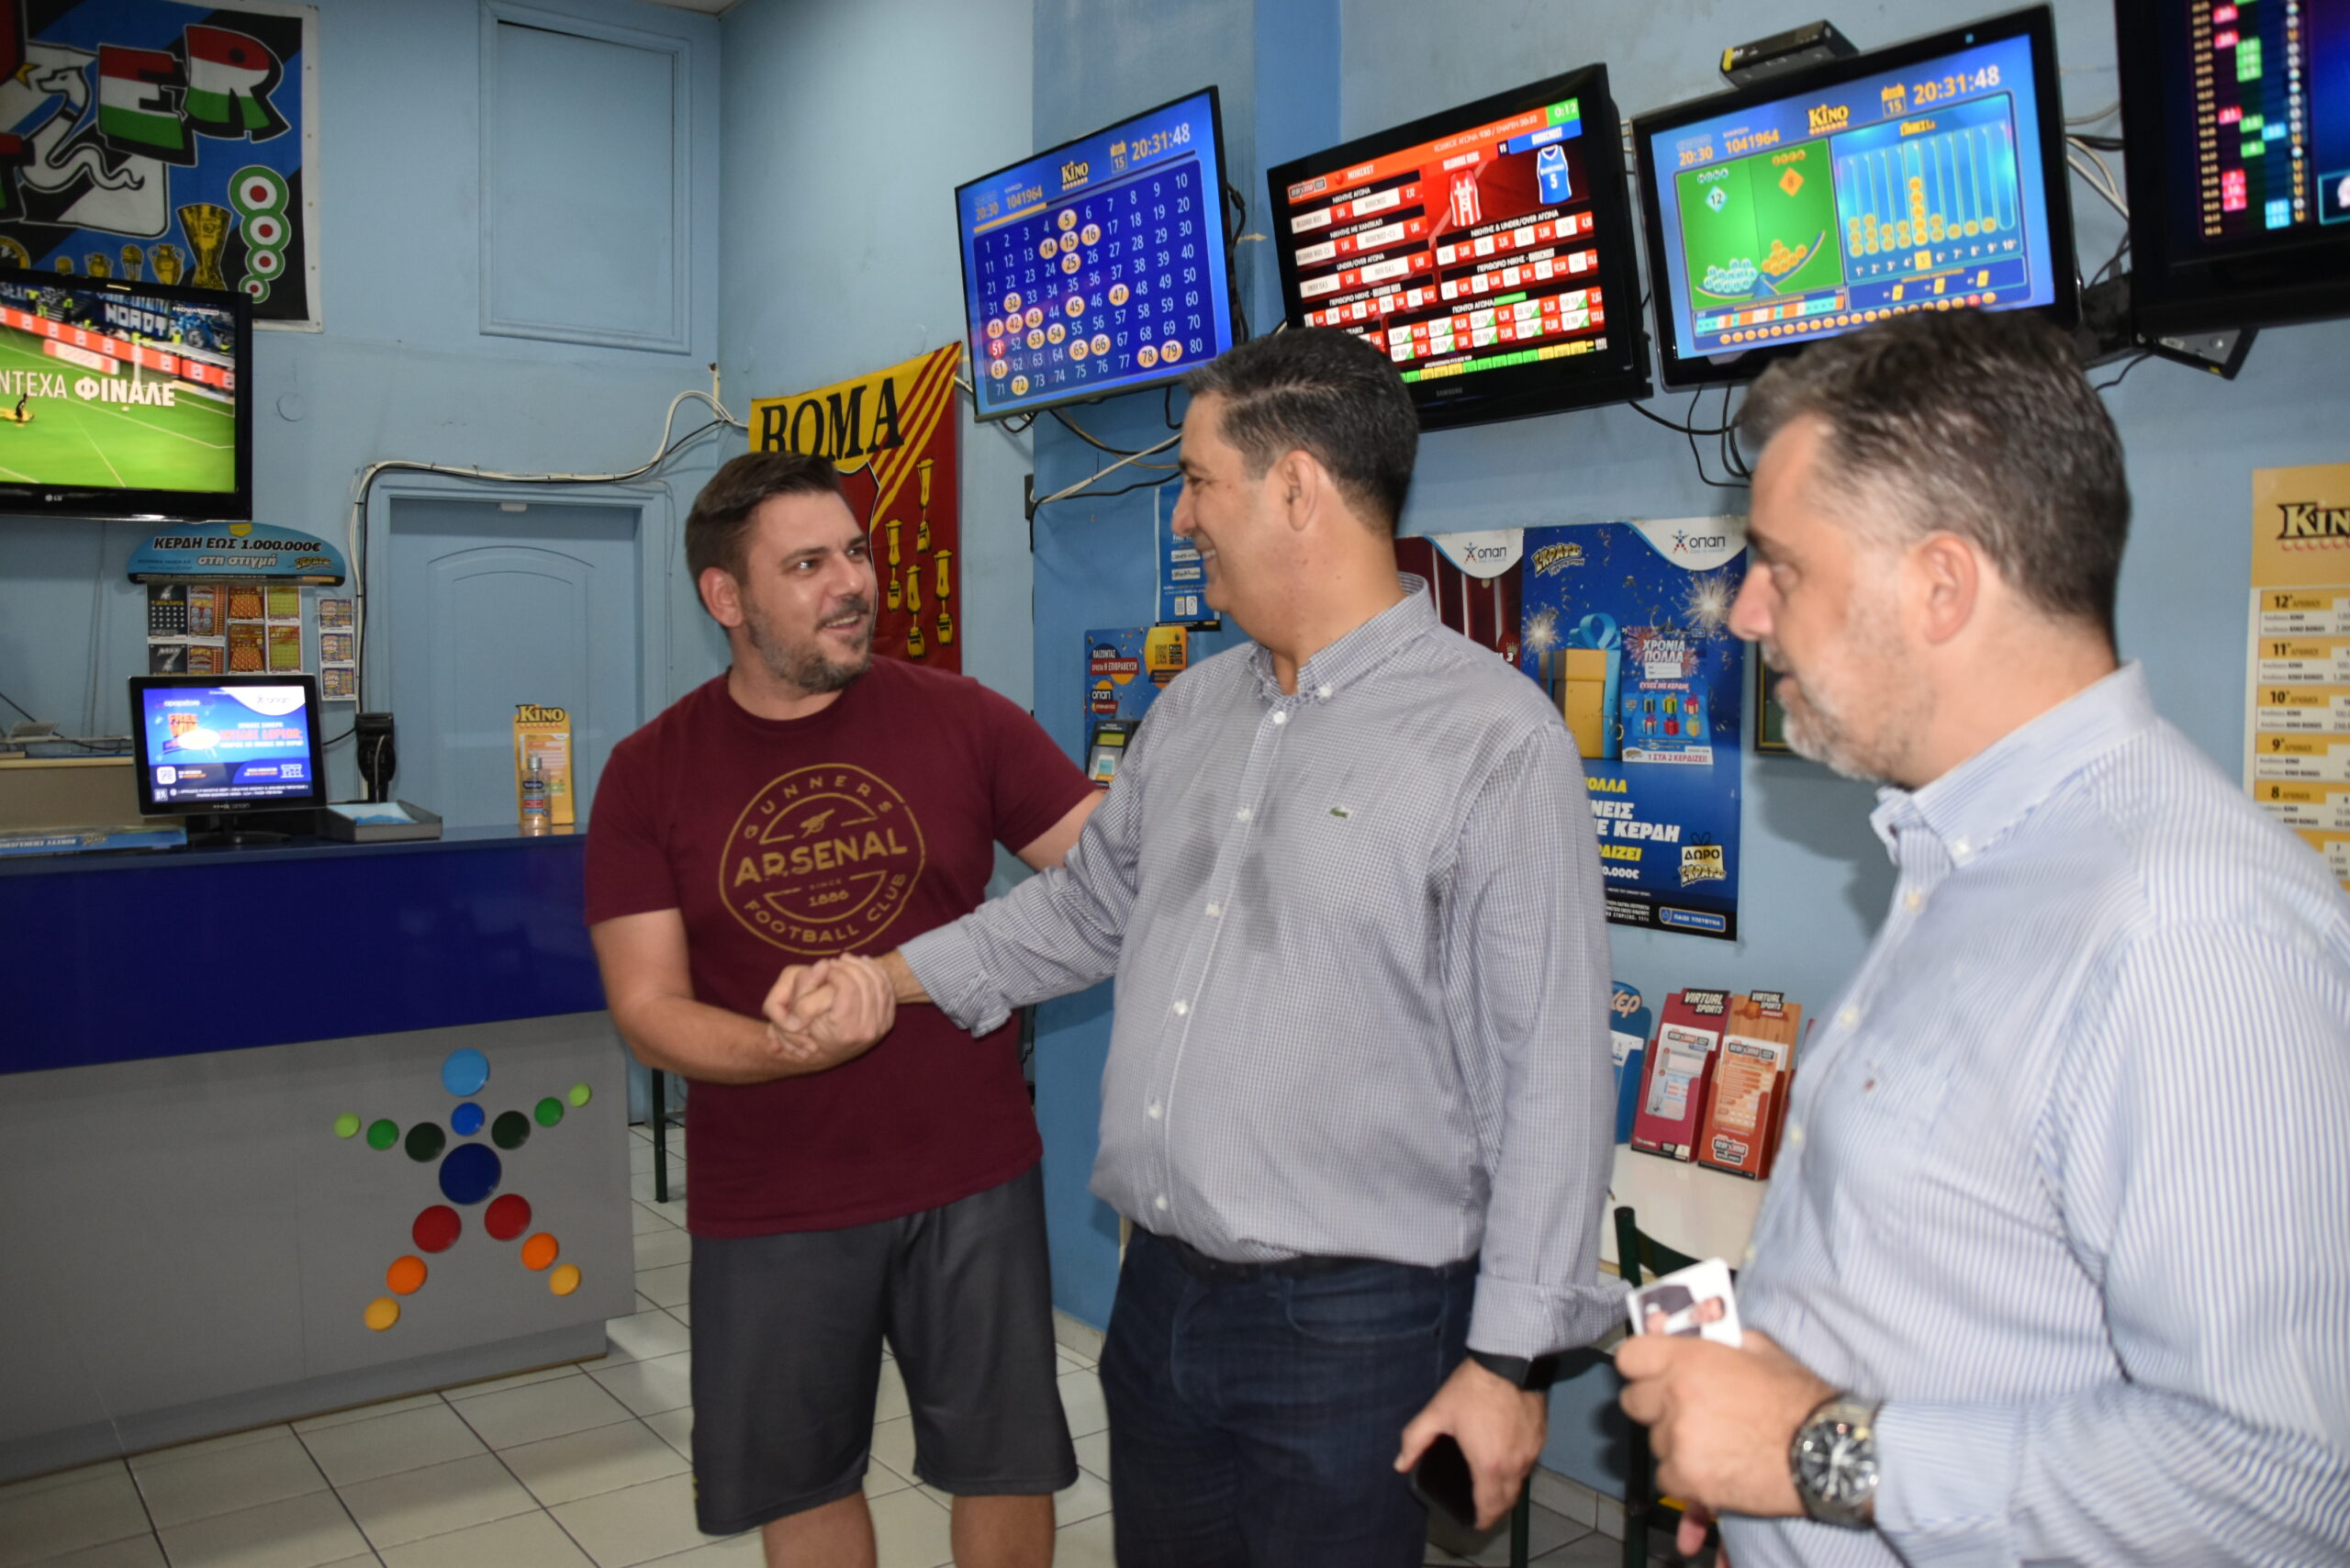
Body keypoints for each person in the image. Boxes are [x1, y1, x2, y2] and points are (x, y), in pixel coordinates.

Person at [766, 328, 1619, 1568]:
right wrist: (884, 979)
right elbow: (1084, 912)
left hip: (1358, 1326)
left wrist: (1507, 1363)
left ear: (1295, 489)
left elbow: (1550, 1075)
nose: (1181, 516)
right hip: (1160, 1298)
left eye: (1198, 479)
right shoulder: (1194, 709)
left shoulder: (1495, 740)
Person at [1616, 309, 2350, 1565]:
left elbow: (2289, 1479)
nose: (1744, 614)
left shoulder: (2185, 929)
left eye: (1780, 566)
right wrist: (1756, 1465)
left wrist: (1816, 1455)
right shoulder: (1960, 857)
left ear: (1942, 586)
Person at [584, 449, 1099, 1568]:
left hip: (971, 1173)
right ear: (726, 597)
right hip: (773, 1195)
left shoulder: (964, 718)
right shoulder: (647, 772)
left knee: (1006, 1458)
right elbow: (648, 1006)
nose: (852, 583)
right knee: (804, 1477)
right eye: (807, 563)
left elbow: (1110, 876)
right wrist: (785, 1046)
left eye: (855, 552)